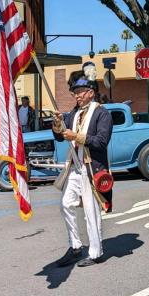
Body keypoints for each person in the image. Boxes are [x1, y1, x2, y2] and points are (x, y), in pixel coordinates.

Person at [52, 66, 113, 267]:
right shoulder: (74, 113)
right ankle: (76, 246)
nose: (77, 96)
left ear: (90, 93)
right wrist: (58, 123)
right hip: (75, 168)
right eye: (75, 93)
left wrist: (76, 136)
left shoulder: (101, 114)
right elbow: (60, 136)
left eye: (80, 93)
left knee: (91, 212)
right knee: (65, 204)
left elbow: (101, 141)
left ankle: (96, 252)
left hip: (91, 170)